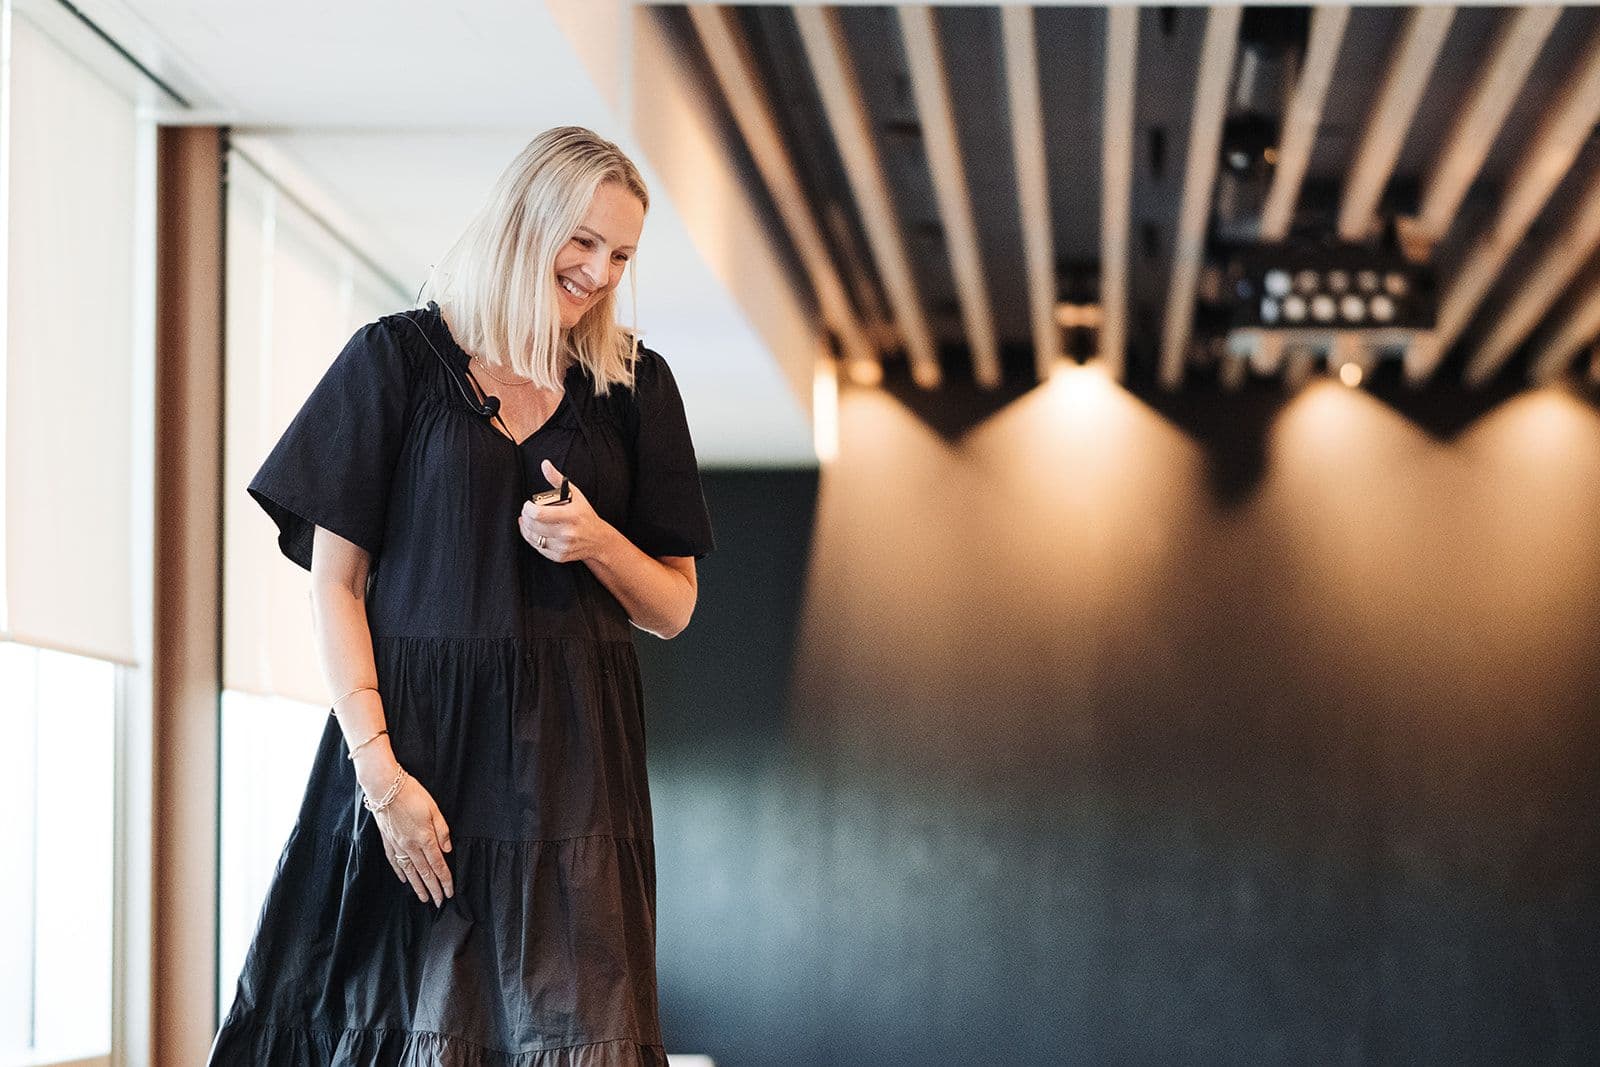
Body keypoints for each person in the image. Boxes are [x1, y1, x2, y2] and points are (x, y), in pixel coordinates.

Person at [209, 126, 714, 1065]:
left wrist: (599, 540)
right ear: (524, 222)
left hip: (571, 775)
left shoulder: (635, 387)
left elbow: (674, 606)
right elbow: (336, 584)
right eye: (583, 240)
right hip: (415, 763)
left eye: (622, 254)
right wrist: (381, 780)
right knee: (390, 1024)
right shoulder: (393, 361)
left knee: (572, 1034)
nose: (600, 272)